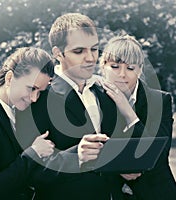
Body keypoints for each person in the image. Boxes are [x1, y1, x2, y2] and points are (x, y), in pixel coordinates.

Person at [29, 13, 120, 200]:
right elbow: (30, 174)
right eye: (79, 51)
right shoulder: (37, 98)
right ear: (57, 53)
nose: (90, 58)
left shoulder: (107, 94)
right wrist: (76, 157)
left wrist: (124, 169)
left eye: (94, 49)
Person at [99, 35, 176, 199]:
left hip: (156, 191)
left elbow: (158, 153)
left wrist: (128, 112)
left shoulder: (160, 101)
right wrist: (119, 168)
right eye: (115, 66)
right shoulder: (93, 99)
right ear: (103, 66)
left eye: (130, 68)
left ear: (140, 69)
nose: (122, 74)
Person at [0, 47, 55, 200]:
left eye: (39, 91)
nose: (34, 98)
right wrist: (33, 153)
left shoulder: (21, 112)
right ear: (9, 78)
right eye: (32, 88)